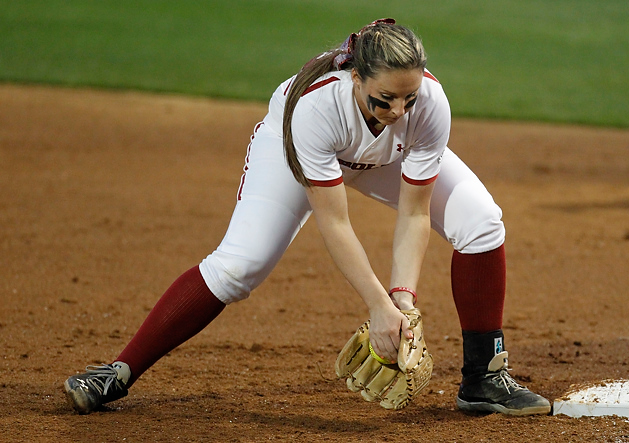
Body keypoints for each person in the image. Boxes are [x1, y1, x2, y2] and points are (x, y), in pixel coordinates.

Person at [63, 19, 551, 416]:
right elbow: (334, 223)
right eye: (385, 99)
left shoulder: (428, 107)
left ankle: (483, 379)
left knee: (482, 221)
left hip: (382, 159)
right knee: (239, 266)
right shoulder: (316, 107)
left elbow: (414, 210)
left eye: (410, 98)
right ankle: (118, 372)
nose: (398, 111)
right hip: (299, 152)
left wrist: (402, 302)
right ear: (357, 78)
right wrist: (377, 306)